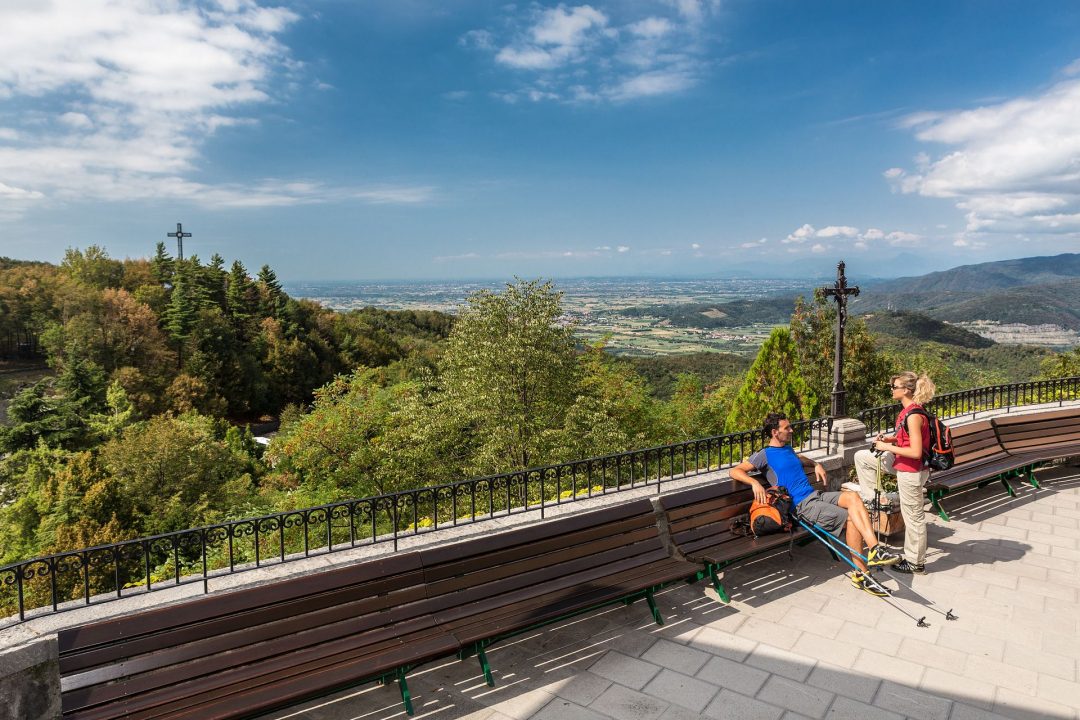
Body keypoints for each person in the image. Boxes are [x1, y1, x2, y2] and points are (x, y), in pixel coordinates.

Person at [730, 412, 901, 597]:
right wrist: (754, 483)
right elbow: (735, 470)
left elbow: (800, 459)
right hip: (801, 507)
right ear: (774, 432)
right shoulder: (764, 455)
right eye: (786, 427)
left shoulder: (787, 449)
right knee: (852, 519)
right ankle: (862, 574)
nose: (791, 430)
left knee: (853, 497)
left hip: (815, 495)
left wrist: (815, 464)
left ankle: (875, 550)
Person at [852, 372, 935, 574]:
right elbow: (907, 441)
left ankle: (916, 563)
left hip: (911, 471)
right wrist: (890, 440)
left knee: (913, 517)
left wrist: (887, 447)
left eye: (894, 386)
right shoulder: (908, 411)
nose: (892, 390)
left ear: (906, 390)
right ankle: (875, 499)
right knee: (862, 457)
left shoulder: (914, 415)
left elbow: (915, 452)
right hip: (902, 464)